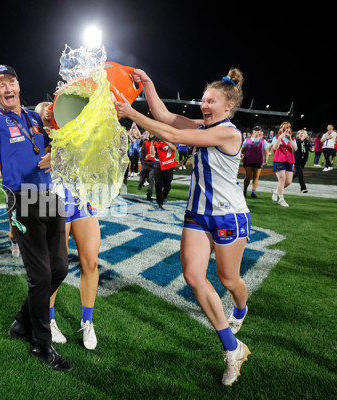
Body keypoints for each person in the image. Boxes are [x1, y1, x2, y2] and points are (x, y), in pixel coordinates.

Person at [115, 68, 251, 386]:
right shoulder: (203, 124)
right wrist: (148, 83)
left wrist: (131, 112)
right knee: (193, 276)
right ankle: (234, 349)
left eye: (211, 101)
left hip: (228, 216)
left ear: (228, 106)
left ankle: (241, 309)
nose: (204, 105)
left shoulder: (229, 133)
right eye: (203, 100)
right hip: (196, 214)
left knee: (229, 280)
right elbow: (163, 115)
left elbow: (173, 135)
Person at [0, 65, 71, 372]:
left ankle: (22, 321)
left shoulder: (36, 118)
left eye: (10, 82)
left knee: (59, 268)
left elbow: (57, 146)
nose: (6, 88)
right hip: (21, 199)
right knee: (41, 276)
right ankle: (40, 343)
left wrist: (55, 155)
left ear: (19, 85)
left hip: (48, 196)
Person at [34, 101, 101, 350]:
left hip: (81, 200)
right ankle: (49, 321)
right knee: (54, 267)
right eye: (44, 115)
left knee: (91, 262)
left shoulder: (73, 134)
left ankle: (87, 322)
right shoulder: (36, 139)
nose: (49, 116)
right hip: (52, 202)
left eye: (52, 112)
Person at [271, 122, 297, 207]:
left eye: (287, 128)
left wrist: (289, 139)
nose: (286, 129)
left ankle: (276, 191)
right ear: (280, 129)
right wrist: (281, 137)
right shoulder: (276, 138)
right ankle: (281, 199)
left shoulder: (292, 139)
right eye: (284, 128)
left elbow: (295, 149)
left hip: (290, 161)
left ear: (290, 129)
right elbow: (275, 147)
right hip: (279, 160)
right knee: (282, 179)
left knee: (288, 182)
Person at [241, 126, 270, 199]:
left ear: (260, 132)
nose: (256, 131)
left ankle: (253, 192)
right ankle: (244, 190)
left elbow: (266, 151)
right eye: (255, 130)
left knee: (256, 177)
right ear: (252, 131)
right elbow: (242, 150)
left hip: (258, 161)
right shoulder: (247, 140)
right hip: (248, 160)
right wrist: (241, 155)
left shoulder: (263, 141)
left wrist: (266, 159)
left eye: (258, 130)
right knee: (248, 176)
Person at [152, 137, 177, 208]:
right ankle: (159, 202)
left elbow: (174, 148)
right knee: (158, 184)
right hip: (158, 165)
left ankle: (164, 194)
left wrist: (165, 141)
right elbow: (154, 150)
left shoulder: (171, 139)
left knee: (167, 184)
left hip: (168, 165)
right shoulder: (156, 141)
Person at [138, 131, 155, 200]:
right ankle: (141, 183)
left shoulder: (157, 144)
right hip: (146, 163)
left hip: (153, 164)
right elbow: (142, 152)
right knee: (143, 176)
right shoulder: (145, 142)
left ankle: (149, 195)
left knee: (151, 180)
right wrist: (142, 161)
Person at [293, 129, 311, 193]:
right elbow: (297, 145)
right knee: (300, 174)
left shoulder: (306, 141)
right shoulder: (296, 140)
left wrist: (312, 149)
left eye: (302, 133)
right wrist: (302, 138)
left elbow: (309, 148)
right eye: (300, 133)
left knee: (297, 173)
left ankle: (289, 179)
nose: (301, 134)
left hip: (303, 160)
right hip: (297, 160)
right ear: (298, 134)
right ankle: (303, 188)